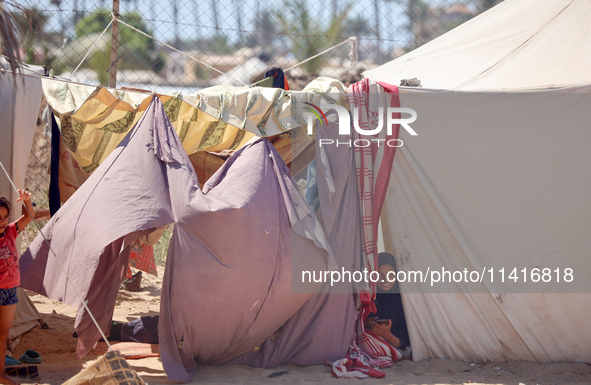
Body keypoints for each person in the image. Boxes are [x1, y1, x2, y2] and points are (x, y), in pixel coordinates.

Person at [0, 190, 34, 385]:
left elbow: (29, 216)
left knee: (2, 336)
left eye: (5, 217)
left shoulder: (11, 231)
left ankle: (1, 374)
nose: (3, 221)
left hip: (10, 291)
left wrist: (27, 201)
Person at [365, 252, 410, 352]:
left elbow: (404, 342)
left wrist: (387, 335)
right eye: (380, 275)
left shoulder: (403, 301)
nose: (385, 280)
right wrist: (367, 323)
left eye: (390, 274)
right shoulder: (369, 296)